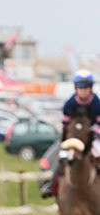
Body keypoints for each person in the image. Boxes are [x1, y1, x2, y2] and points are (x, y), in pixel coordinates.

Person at [40, 69, 100, 198]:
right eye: (80, 86)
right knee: (62, 157)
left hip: (92, 137)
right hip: (73, 139)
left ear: (91, 88)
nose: (83, 90)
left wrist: (94, 132)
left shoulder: (97, 103)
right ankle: (50, 184)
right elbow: (65, 124)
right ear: (76, 88)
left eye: (86, 86)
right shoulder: (69, 104)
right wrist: (66, 139)